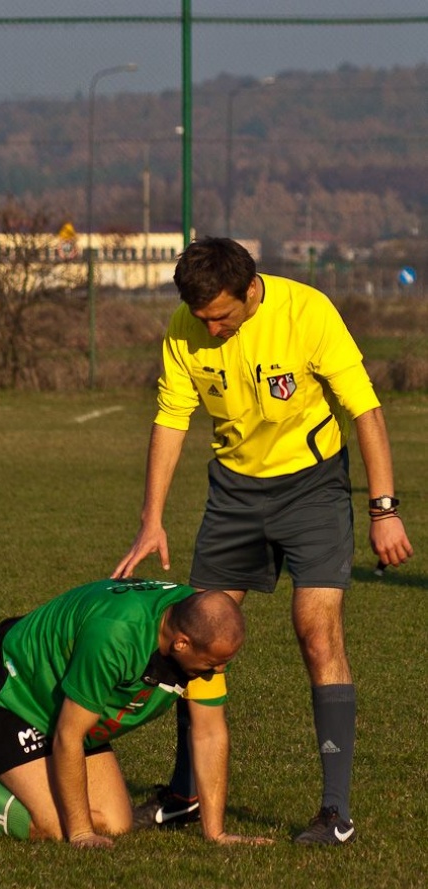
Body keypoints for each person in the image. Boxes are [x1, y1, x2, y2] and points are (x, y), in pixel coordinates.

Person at [113, 237, 413, 845]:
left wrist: (384, 510)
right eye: (202, 318)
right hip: (233, 494)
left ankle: (335, 812)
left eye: (221, 315)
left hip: (314, 488)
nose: (212, 328)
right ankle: (186, 794)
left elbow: (366, 411)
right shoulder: (184, 328)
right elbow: (173, 417)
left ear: (252, 289)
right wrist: (152, 518)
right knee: (195, 633)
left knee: (315, 628)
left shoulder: (308, 312)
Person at [0, 577, 273, 848]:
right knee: (53, 827)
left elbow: (208, 733)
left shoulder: (199, 627)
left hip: (58, 701)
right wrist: (81, 834)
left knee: (116, 823)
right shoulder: (117, 636)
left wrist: (216, 833)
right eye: (213, 664)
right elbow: (69, 736)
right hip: (5, 690)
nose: (218, 671)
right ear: (182, 644)